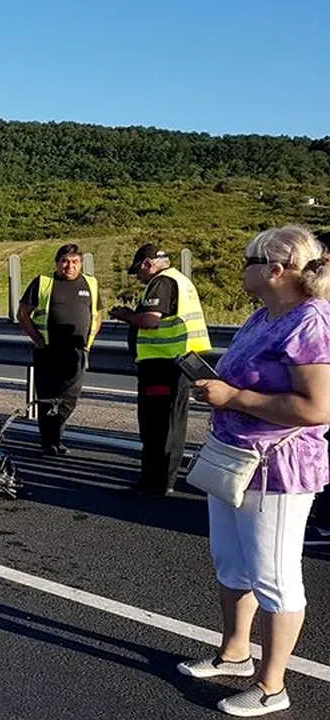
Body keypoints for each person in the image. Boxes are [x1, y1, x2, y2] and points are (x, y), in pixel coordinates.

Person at [177, 226, 330, 717]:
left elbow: (316, 407)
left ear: (276, 269)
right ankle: (235, 652)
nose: (241, 266)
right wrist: (218, 392)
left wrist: (235, 397)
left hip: (276, 467)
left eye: (249, 258)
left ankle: (272, 685)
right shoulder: (263, 316)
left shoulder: (311, 323)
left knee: (274, 575)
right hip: (236, 456)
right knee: (231, 561)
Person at [110, 243, 212, 495]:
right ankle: (164, 480)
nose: (138, 278)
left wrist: (125, 316)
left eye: (138, 271)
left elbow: (150, 320)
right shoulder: (180, 279)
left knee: (156, 424)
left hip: (162, 363)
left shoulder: (161, 282)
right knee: (171, 423)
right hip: (179, 361)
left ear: (147, 264)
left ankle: (156, 482)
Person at [16, 244, 102, 456]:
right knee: (47, 397)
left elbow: (97, 314)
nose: (69, 266)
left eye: (74, 262)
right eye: (64, 261)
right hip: (48, 350)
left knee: (69, 398)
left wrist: (88, 343)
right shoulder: (44, 282)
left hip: (76, 351)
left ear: (81, 263)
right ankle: (50, 442)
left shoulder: (90, 283)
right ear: (57, 263)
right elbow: (23, 313)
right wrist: (37, 338)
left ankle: (54, 434)